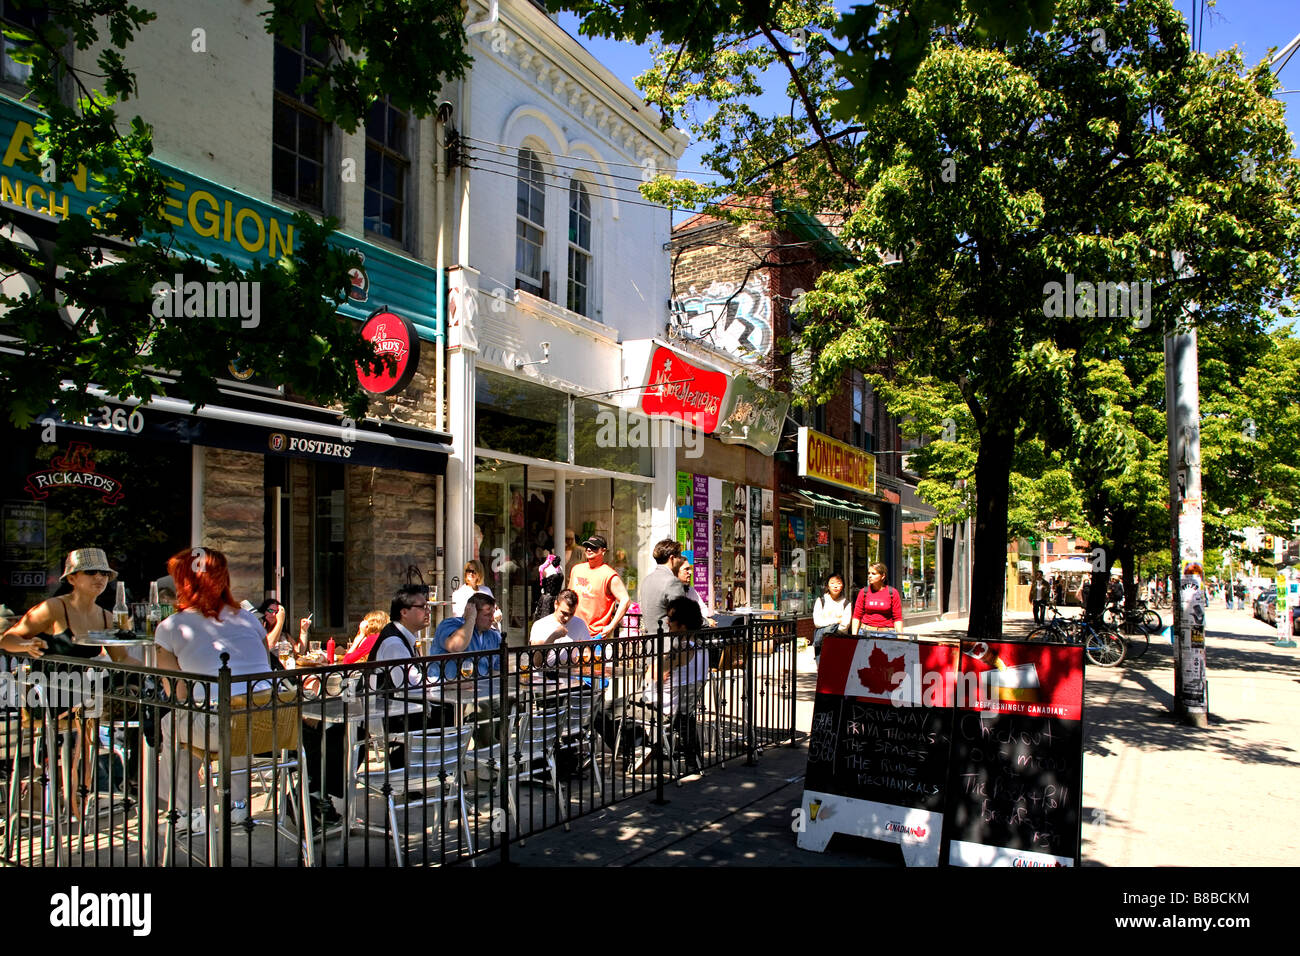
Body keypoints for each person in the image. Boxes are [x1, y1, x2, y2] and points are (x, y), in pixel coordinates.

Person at [151, 547, 275, 835]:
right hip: (270, 721)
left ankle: (187, 810)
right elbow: (263, 664)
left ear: (182, 582)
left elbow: (178, 693)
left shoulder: (171, 626)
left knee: (174, 722)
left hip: (219, 723)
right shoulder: (248, 619)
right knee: (237, 713)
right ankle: (237, 806)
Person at [567, 535, 631, 639]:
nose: (589, 549)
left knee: (592, 656)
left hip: (594, 635)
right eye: (587, 546)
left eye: (594, 547)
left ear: (603, 551)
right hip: (572, 630)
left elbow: (625, 600)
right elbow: (568, 597)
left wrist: (611, 626)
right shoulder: (576, 569)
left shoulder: (609, 574)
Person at [430, 592, 503, 679]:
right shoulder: (449, 624)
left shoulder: (494, 636)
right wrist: (471, 618)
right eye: (487, 615)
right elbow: (456, 646)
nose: (492, 619)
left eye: (492, 614)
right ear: (472, 611)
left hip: (479, 690)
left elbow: (497, 670)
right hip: (443, 689)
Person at [528, 588, 591, 667]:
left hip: (570, 675)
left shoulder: (580, 624)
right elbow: (537, 662)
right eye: (564, 613)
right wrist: (553, 636)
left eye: (571, 614)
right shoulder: (540, 625)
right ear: (555, 605)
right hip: (545, 675)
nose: (567, 618)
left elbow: (589, 652)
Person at [640, 538, 689, 634]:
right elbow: (684, 614)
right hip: (669, 643)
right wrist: (707, 622)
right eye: (679, 557)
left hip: (650, 643)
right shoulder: (672, 581)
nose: (680, 560)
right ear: (672, 558)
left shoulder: (647, 580)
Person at [850, 563, 905, 638]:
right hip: (865, 632)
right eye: (869, 573)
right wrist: (854, 636)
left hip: (887, 634)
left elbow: (897, 617)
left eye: (873, 573)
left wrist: (900, 637)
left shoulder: (893, 592)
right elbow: (857, 615)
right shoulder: (863, 592)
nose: (870, 576)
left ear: (883, 576)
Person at [811, 573, 849, 660]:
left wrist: (827, 624)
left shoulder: (846, 603)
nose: (835, 586)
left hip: (839, 641)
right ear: (827, 586)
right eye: (832, 583)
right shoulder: (821, 601)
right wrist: (836, 620)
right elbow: (817, 623)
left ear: (843, 586)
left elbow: (845, 626)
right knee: (821, 669)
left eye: (839, 583)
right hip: (821, 642)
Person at [672, 556, 715, 627]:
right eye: (686, 569)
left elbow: (703, 609)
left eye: (690, 569)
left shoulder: (690, 589)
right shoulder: (672, 590)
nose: (690, 572)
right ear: (676, 572)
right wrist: (705, 621)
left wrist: (704, 620)